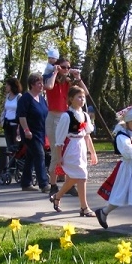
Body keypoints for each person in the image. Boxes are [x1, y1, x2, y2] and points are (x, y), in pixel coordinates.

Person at [95, 106, 132, 234]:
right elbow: (128, 153)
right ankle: (104, 212)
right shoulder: (121, 136)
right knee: (121, 195)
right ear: (128, 121)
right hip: (128, 169)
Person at [49, 86, 98, 216]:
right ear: (71, 99)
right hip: (71, 147)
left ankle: (57, 196)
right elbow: (59, 138)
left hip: (81, 146)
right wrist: (59, 157)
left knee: (73, 177)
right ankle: (84, 207)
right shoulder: (66, 116)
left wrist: (92, 152)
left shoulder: (85, 116)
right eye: (79, 97)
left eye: (83, 97)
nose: (82, 99)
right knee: (81, 176)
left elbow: (87, 135)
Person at [44, 57, 89, 195]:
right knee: (56, 152)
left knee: (68, 152)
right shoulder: (50, 78)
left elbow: (84, 93)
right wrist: (55, 72)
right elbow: (49, 87)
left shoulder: (68, 83)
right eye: (63, 67)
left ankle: (69, 184)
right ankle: (53, 185)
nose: (66, 70)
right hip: (53, 117)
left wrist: (78, 78)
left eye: (68, 67)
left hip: (66, 118)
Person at [17, 72, 51, 193]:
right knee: (39, 155)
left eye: (42, 83)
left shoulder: (41, 99)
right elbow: (21, 116)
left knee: (31, 157)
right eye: (39, 83)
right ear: (32, 84)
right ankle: (43, 183)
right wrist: (26, 130)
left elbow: (46, 114)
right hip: (30, 133)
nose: (41, 85)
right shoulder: (25, 98)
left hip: (41, 132)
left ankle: (26, 183)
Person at [0, 77, 22, 143]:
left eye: (7, 85)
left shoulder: (19, 97)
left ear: (12, 86)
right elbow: (5, 110)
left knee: (15, 145)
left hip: (15, 125)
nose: (6, 86)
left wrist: (19, 126)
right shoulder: (7, 96)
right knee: (9, 146)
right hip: (7, 124)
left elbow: (21, 112)